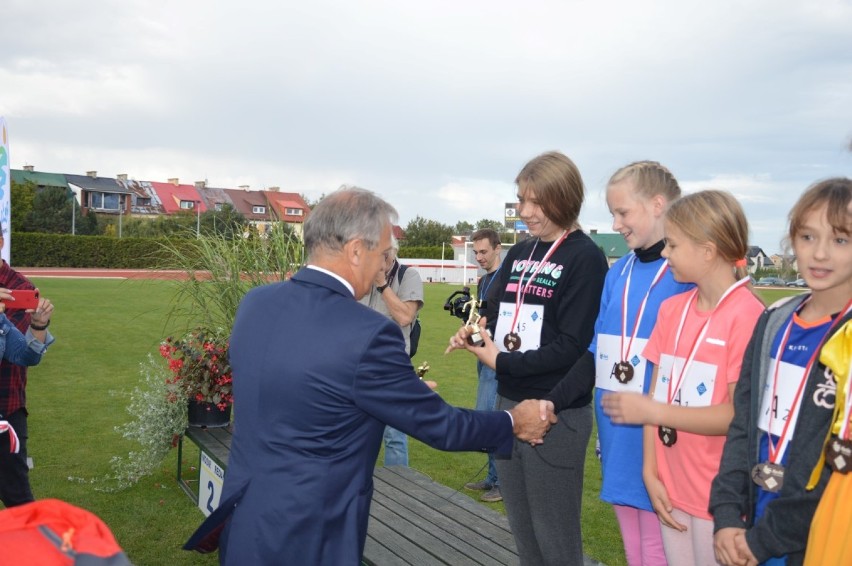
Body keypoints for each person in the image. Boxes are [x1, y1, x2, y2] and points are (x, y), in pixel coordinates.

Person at [184, 187, 557, 566]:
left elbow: (302, 393)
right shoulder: (368, 332)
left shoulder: (256, 304)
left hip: (245, 521)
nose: (382, 267)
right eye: (381, 254)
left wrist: (393, 391)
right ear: (357, 250)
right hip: (310, 533)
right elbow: (441, 426)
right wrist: (513, 421)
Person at [448, 151, 608, 565]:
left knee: (556, 540)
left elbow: (574, 344)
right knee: (523, 535)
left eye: (535, 202)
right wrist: (476, 333)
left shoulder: (585, 257)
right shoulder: (520, 255)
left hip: (555, 412)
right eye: (521, 200)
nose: (525, 211)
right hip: (508, 403)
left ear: (564, 198)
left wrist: (502, 363)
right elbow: (497, 317)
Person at [601, 190, 766, 565]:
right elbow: (657, 395)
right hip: (670, 485)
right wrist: (650, 470)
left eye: (672, 244)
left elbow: (735, 417)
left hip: (720, 495)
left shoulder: (749, 316)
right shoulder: (672, 310)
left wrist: (654, 413)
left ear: (707, 251)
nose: (664, 253)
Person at [544, 161, 691, 565]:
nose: (616, 223)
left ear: (658, 204)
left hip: (666, 437)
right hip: (617, 433)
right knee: (636, 549)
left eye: (623, 212)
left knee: (668, 550)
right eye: (612, 212)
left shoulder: (686, 274)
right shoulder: (618, 273)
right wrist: (552, 402)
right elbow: (596, 351)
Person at [708, 178, 852, 566]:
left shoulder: (849, 339)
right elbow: (743, 423)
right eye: (808, 236)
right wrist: (725, 514)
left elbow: (834, 459)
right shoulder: (775, 320)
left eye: (841, 240)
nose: (820, 253)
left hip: (815, 538)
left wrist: (766, 540)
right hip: (752, 521)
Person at [0, 228, 56, 509]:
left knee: (18, 497)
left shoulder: (18, 286)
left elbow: (21, 355)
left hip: (6, 408)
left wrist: (39, 326)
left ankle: (31, 551)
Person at [359, 237, 424, 466]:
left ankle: (398, 490)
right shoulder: (361, 276)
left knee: (394, 435)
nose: (376, 260)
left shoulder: (408, 276)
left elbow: (405, 317)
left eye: (381, 255)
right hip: (359, 366)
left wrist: (382, 285)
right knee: (357, 432)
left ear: (392, 253)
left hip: (392, 368)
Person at [463, 228, 504, 503]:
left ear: (497, 248)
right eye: (476, 252)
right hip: (483, 353)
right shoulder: (484, 280)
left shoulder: (507, 278)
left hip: (498, 356)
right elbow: (481, 315)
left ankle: (502, 483)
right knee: (487, 414)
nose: (479, 257)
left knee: (491, 415)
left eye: (484, 252)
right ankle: (492, 478)